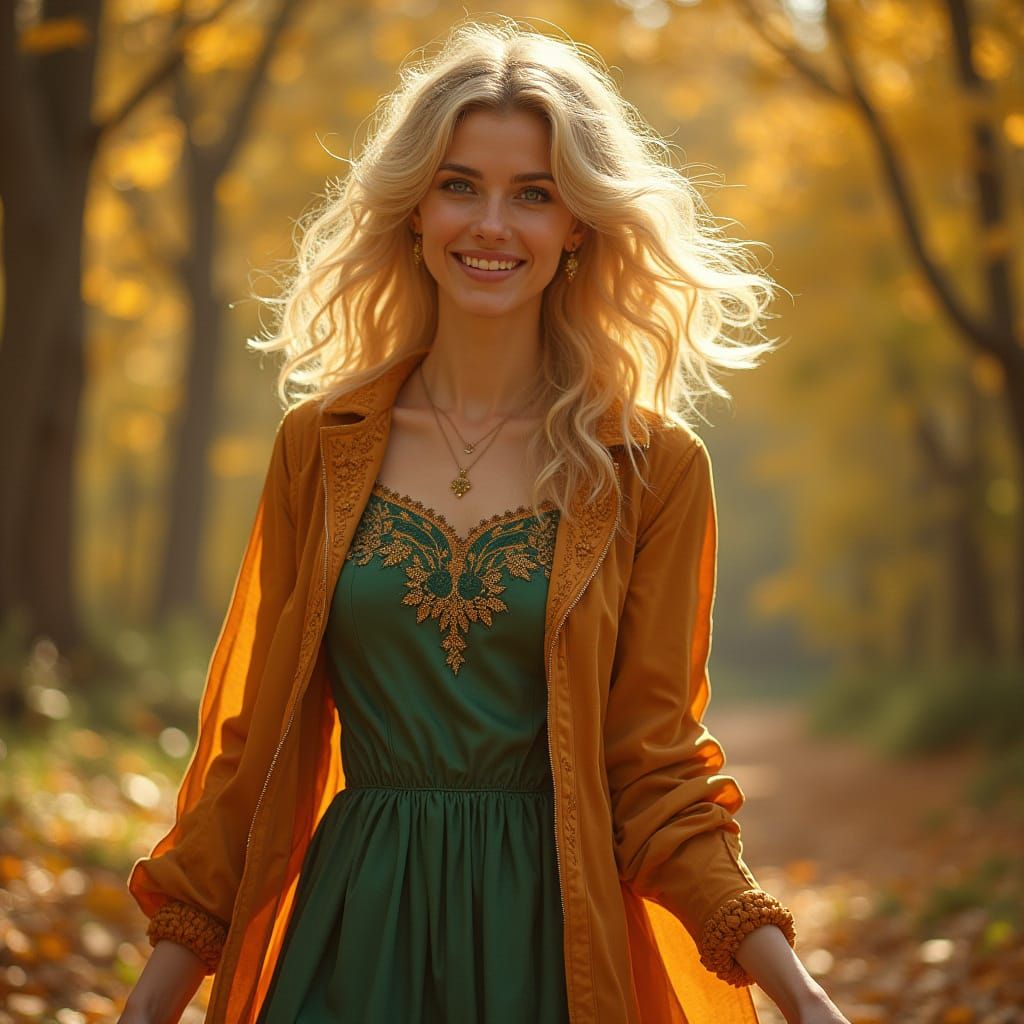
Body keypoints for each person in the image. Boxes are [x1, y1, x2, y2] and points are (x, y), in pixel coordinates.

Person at [118, 17, 851, 1024]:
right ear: (416, 207)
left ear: (579, 225)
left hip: (550, 944)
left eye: (534, 194)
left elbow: (658, 767)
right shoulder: (317, 446)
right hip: (352, 939)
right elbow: (254, 751)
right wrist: (147, 1004)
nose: (491, 224)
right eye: (460, 184)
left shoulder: (652, 469)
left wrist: (801, 993)